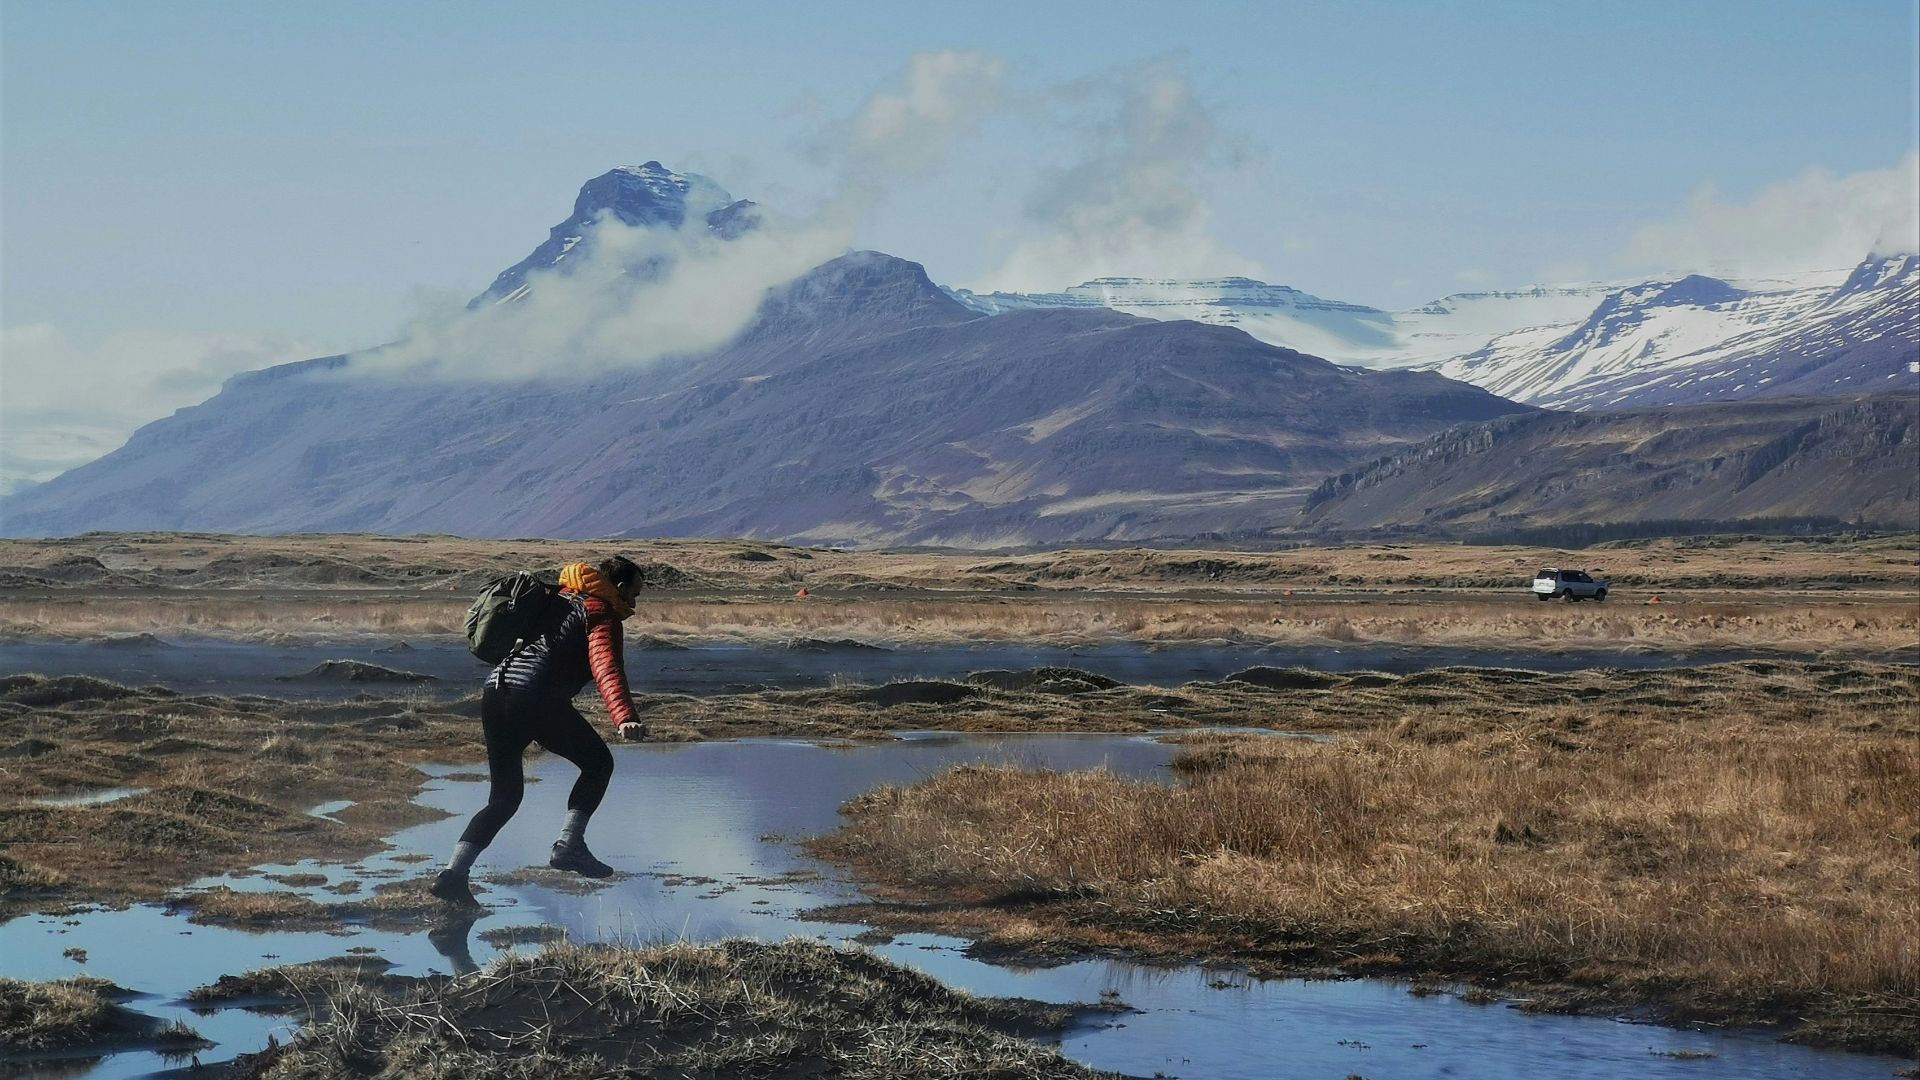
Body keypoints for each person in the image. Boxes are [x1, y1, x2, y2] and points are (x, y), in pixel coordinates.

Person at [432, 556, 648, 906]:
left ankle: (453, 875)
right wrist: (624, 716)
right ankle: (569, 846)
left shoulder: (554, 598)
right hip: (535, 697)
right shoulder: (599, 611)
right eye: (634, 594)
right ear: (619, 588)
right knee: (598, 764)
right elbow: (606, 665)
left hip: (496, 693)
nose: (634, 604)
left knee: (504, 798)